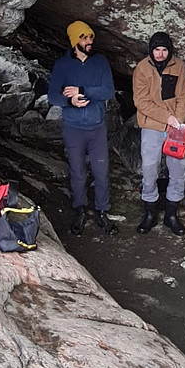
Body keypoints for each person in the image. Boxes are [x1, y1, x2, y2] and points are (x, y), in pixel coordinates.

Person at [48, 21, 117, 235]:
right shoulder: (62, 65)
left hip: (97, 127)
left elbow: (108, 91)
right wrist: (70, 102)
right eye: (84, 38)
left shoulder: (100, 61)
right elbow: (53, 96)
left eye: (90, 38)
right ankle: (79, 209)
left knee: (101, 171)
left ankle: (102, 211)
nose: (89, 42)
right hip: (73, 128)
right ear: (74, 41)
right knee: (77, 171)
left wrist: (82, 90)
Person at [132, 31, 185, 236]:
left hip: (176, 127)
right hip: (152, 125)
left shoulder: (179, 67)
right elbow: (141, 101)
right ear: (151, 50)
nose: (160, 54)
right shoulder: (142, 68)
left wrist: (178, 121)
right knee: (150, 168)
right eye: (156, 50)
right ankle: (150, 210)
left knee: (178, 168)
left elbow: (184, 97)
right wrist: (167, 118)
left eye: (164, 50)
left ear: (170, 50)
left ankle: (171, 214)